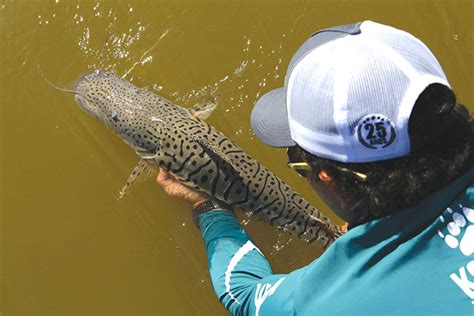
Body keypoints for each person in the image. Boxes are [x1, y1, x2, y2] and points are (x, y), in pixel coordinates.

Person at [157, 21, 474, 315]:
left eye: (300, 165)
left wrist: (208, 206)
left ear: (330, 179)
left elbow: (242, 294)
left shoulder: (329, 301)